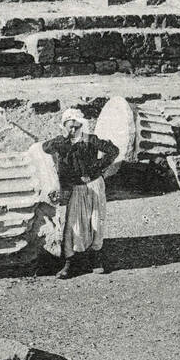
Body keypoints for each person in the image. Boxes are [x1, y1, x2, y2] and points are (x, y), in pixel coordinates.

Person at [44, 107, 119, 278]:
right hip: (76, 188)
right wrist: (62, 138)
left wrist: (96, 168)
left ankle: (96, 259)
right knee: (73, 225)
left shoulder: (90, 140)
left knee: (96, 222)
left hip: (94, 186)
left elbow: (113, 151)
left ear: (81, 126)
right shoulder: (61, 142)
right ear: (63, 126)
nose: (72, 130)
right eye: (69, 126)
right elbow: (45, 148)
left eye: (76, 127)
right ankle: (70, 263)